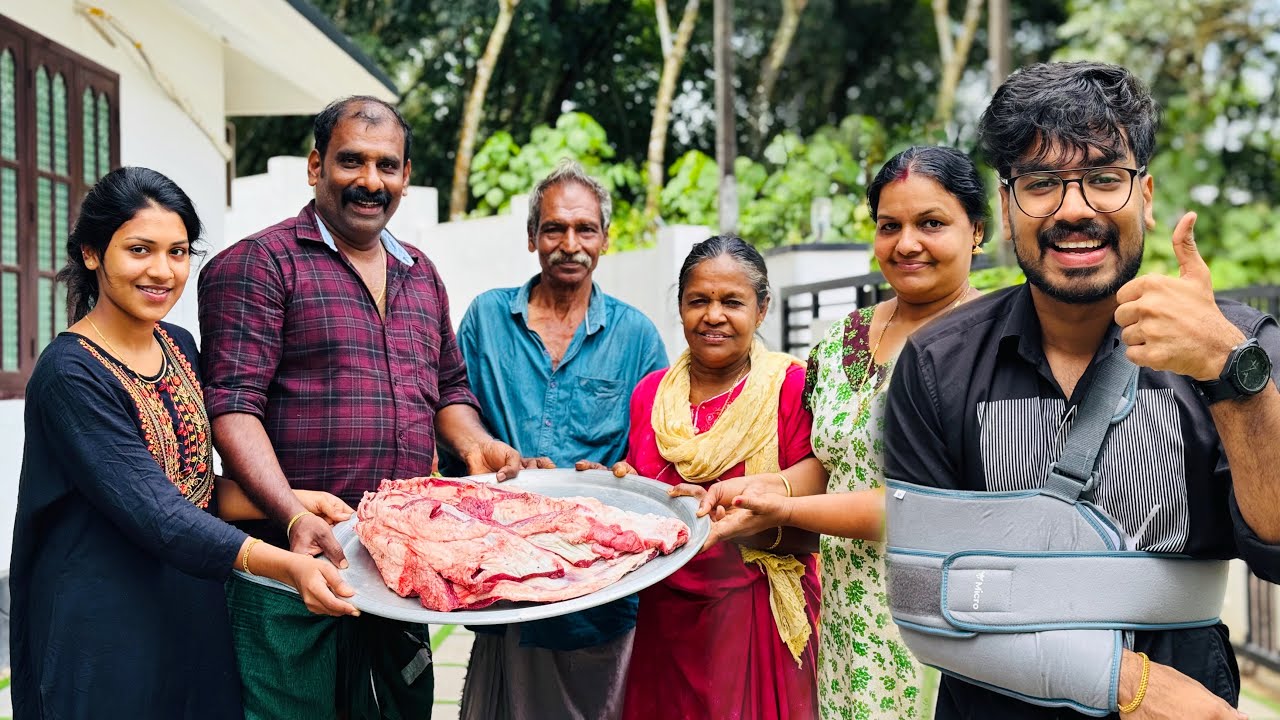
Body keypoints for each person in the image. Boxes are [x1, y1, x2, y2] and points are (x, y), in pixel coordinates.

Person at [883, 61, 1280, 719]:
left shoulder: (1238, 347)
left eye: (1103, 179)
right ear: (1007, 207)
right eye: (1041, 184)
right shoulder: (936, 363)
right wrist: (1131, 686)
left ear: (1146, 195)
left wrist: (1228, 374)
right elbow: (924, 600)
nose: (1075, 210)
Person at [198, 96, 524, 720]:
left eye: (387, 165)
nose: (370, 182)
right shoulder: (259, 265)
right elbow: (233, 410)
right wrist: (293, 514)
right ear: (315, 165)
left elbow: (449, 389)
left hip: (400, 566)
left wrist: (475, 444)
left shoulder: (420, 273)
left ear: (406, 173)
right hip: (288, 570)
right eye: (351, 162)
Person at [9, 167, 359, 719]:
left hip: (189, 607)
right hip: (104, 629)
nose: (163, 271)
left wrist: (293, 507)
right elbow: (156, 512)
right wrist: (286, 566)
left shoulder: (179, 344)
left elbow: (188, 485)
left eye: (178, 252)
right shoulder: (70, 374)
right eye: (140, 250)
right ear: (92, 253)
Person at [690, 146, 987, 719]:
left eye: (931, 223)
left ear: (975, 231)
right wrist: (766, 487)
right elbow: (832, 464)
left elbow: (922, 507)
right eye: (888, 226)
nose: (906, 243)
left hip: (939, 626)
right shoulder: (844, 339)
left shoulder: (988, 347)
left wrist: (784, 513)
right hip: (850, 622)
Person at [455, 161, 668, 720]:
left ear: (604, 240)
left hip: (602, 581)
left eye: (584, 229)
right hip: (504, 574)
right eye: (554, 229)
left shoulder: (636, 335)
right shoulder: (486, 319)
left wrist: (613, 474)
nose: (569, 244)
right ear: (532, 237)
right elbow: (452, 414)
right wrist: (489, 451)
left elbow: (655, 452)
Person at [590, 235, 824, 719]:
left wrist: (743, 515)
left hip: (757, 615)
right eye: (699, 300)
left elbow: (818, 514)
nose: (713, 315)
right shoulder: (650, 394)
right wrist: (613, 489)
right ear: (680, 307)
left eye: (732, 302)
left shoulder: (790, 388)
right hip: (667, 619)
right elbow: (652, 500)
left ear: (762, 310)